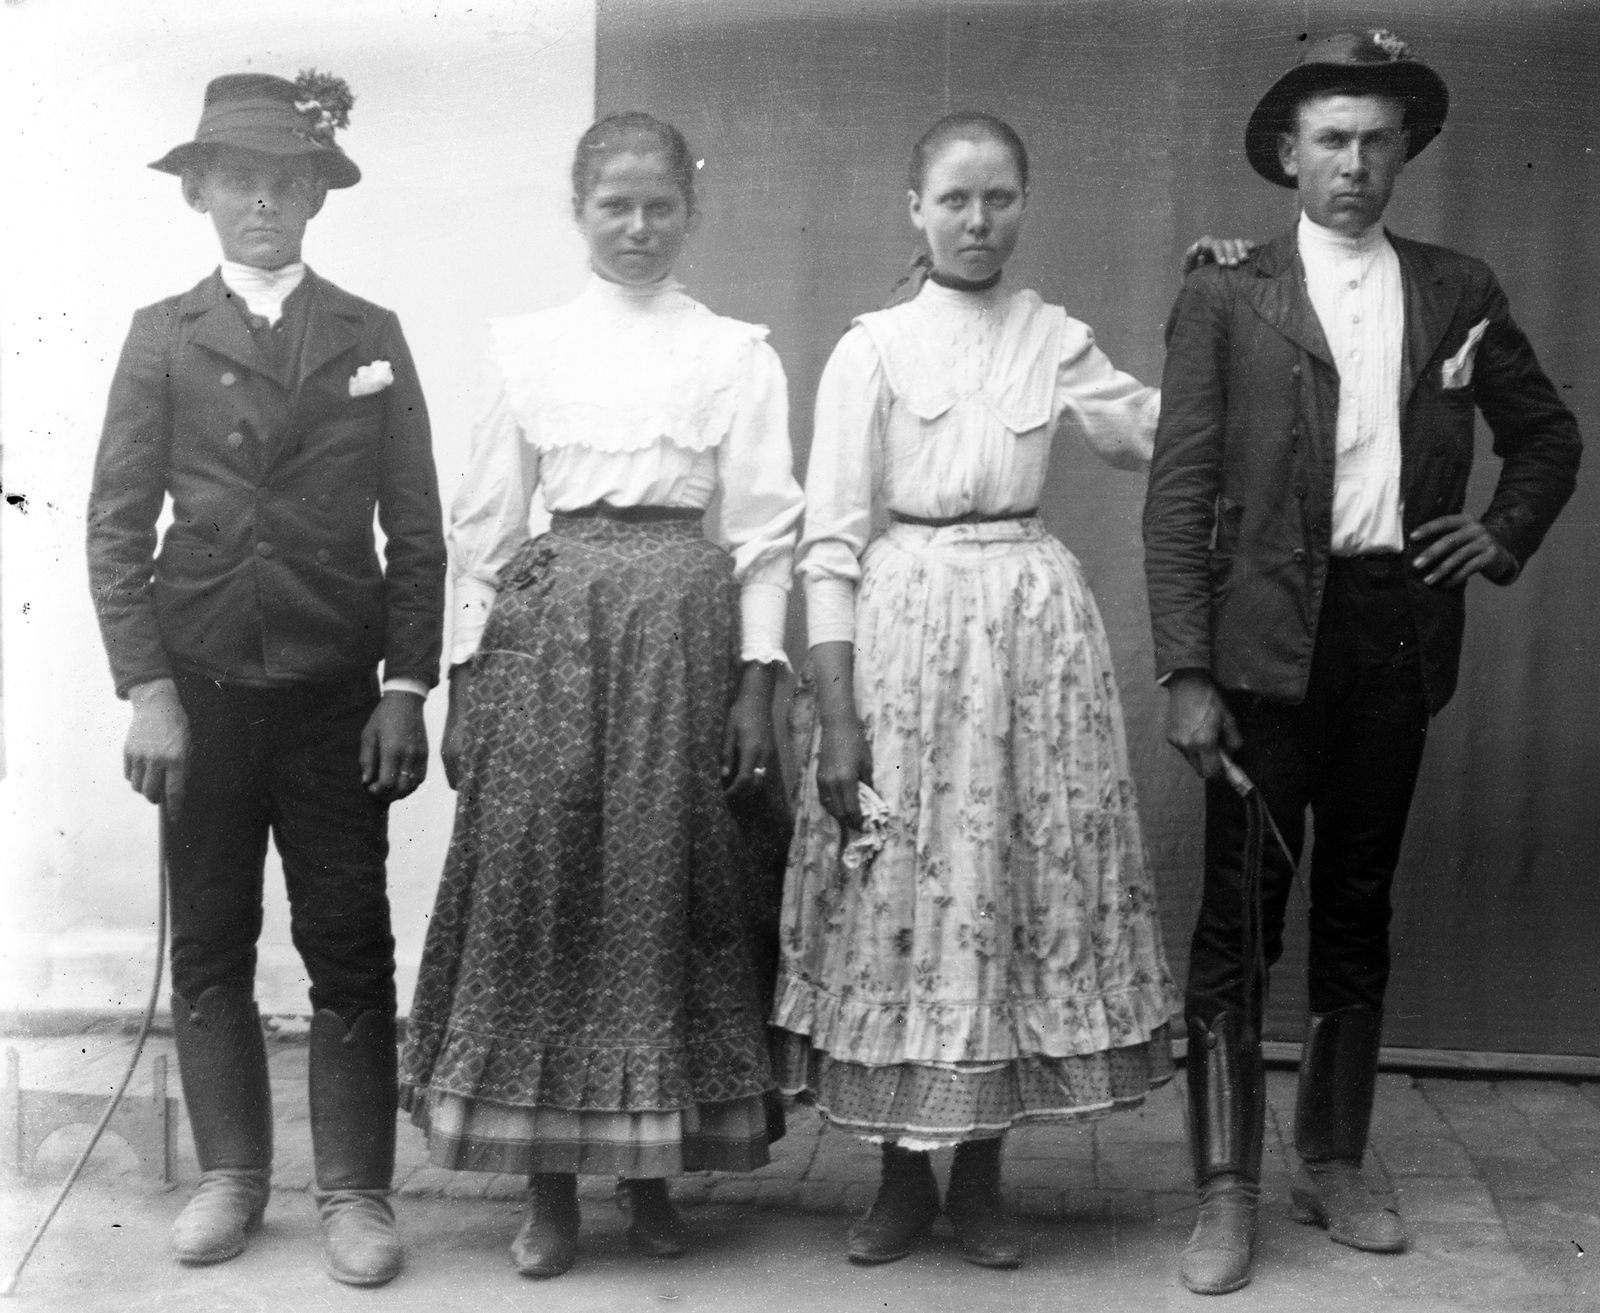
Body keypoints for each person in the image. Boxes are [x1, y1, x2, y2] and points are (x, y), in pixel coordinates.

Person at [1144, 30, 1582, 1296]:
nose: (1353, 162)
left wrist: (1497, 534)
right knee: (1240, 916)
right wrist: (1186, 668)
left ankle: (1331, 1158)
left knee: (1357, 902)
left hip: (1395, 634)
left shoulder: (1459, 289)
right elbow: (1177, 502)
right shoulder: (1227, 292)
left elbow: (1545, 436)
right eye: (1329, 139)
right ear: (1287, 155)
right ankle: (1223, 1189)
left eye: (1376, 140)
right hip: (1263, 646)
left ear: (1407, 154)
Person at [776, 111, 1185, 1271]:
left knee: (1003, 885)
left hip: (1028, 637)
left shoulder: (1053, 337)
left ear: (1024, 204)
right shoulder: (872, 346)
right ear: (914, 207)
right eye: (953, 199)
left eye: (998, 198)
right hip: (904, 635)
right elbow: (828, 541)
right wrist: (840, 710)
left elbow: (1158, 431)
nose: (975, 220)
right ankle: (901, 1179)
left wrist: (1214, 311)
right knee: (901, 896)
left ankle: (987, 1179)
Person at [399, 113, 804, 1280]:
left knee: (662, 885)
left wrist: (754, 680)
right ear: (577, 210)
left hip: (685, 630)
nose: (637, 228)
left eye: (658, 206)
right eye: (613, 206)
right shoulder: (526, 345)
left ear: (692, 208)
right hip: (552, 636)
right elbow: (484, 529)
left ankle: (649, 1171)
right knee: (546, 884)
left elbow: (768, 532)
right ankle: (549, 1188)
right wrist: (468, 678)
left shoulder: (735, 351)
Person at [86, 73, 446, 1287]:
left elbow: (418, 528)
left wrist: (406, 684)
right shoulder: (163, 334)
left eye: (284, 181)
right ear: (198, 191)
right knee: (214, 938)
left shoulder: (369, 333)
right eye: (238, 179)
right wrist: (150, 690)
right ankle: (234, 1176)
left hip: (335, 690)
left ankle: (355, 1190)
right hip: (204, 695)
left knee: (349, 936)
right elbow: (115, 525)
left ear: (315, 196)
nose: (262, 202)